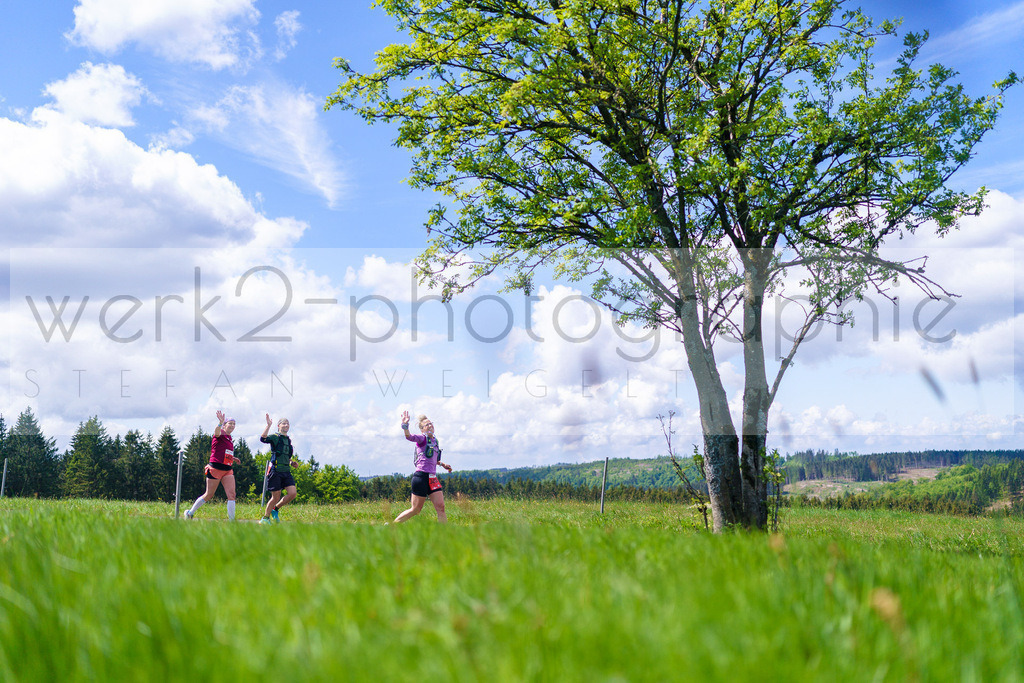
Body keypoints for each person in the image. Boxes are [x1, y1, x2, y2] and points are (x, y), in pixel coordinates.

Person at [394, 411, 452, 524]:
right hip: (421, 477)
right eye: (427, 425)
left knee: (441, 507)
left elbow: (432, 459)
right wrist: (405, 426)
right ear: (422, 429)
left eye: (431, 423)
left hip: (432, 478)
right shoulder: (422, 439)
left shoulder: (435, 441)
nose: (430, 425)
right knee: (415, 510)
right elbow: (409, 437)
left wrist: (442, 464)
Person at [185, 410, 238, 521]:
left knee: (231, 495)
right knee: (209, 494)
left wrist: (232, 458)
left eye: (234, 424)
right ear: (225, 425)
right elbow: (217, 432)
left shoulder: (229, 437)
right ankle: (190, 513)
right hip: (215, 468)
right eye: (230, 423)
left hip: (227, 469)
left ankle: (232, 521)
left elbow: (223, 451)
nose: (232, 426)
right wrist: (220, 423)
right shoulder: (221, 433)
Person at [260, 414, 299, 524]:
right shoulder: (275, 437)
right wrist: (268, 425)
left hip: (286, 471)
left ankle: (275, 510)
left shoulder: (288, 440)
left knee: (292, 493)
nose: (286, 425)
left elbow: (286, 455)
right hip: (275, 471)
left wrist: (292, 462)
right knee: (275, 496)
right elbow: (262, 438)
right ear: (278, 426)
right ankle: (265, 518)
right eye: (284, 423)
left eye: (288, 424)